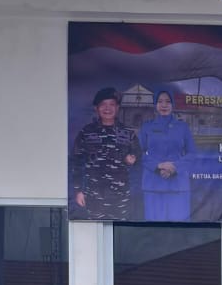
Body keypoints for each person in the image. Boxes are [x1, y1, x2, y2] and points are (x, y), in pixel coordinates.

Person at [70, 86, 141, 220]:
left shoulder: (128, 133)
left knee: (120, 228)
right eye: (103, 104)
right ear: (96, 108)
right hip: (94, 196)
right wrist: (78, 190)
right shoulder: (86, 132)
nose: (107, 108)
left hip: (120, 197)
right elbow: (76, 162)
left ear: (118, 108)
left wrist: (133, 159)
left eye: (111, 104)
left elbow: (139, 158)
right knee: (95, 229)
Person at [137, 88, 194, 222]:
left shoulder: (183, 127)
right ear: (155, 105)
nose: (164, 105)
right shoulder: (147, 127)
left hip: (178, 186)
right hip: (153, 185)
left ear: (173, 104)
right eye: (160, 101)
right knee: (154, 228)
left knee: (179, 228)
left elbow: (192, 153)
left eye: (168, 101)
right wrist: (158, 166)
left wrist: (175, 167)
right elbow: (138, 153)